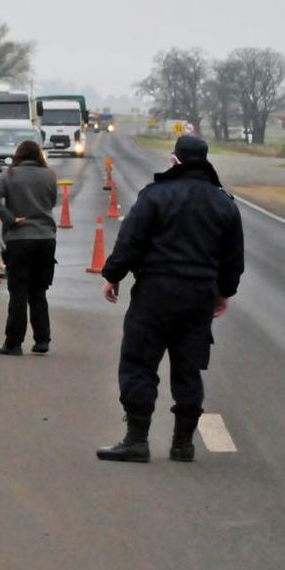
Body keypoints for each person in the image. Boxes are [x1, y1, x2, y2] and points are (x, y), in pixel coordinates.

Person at [96, 134, 244, 463]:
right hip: (198, 296)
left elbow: (131, 239)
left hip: (155, 293)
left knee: (138, 363)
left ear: (174, 159)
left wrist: (113, 276)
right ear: (205, 161)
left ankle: (136, 439)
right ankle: (183, 444)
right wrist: (224, 293)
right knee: (188, 369)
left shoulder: (155, 196)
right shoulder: (224, 203)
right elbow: (233, 257)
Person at [0, 140, 58, 355]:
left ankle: (14, 343)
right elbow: (52, 202)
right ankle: (42, 340)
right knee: (39, 291)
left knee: (18, 292)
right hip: (45, 239)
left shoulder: (10, 174)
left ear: (19, 155)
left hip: (19, 240)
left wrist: (11, 219)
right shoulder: (49, 175)